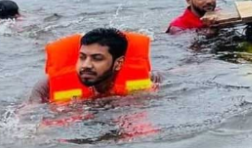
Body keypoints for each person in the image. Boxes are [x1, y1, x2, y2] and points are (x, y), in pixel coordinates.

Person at [29, 28, 160, 103]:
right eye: (82, 57)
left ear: (118, 63)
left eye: (97, 59)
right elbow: (27, 117)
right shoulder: (46, 86)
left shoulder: (148, 79)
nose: (86, 65)